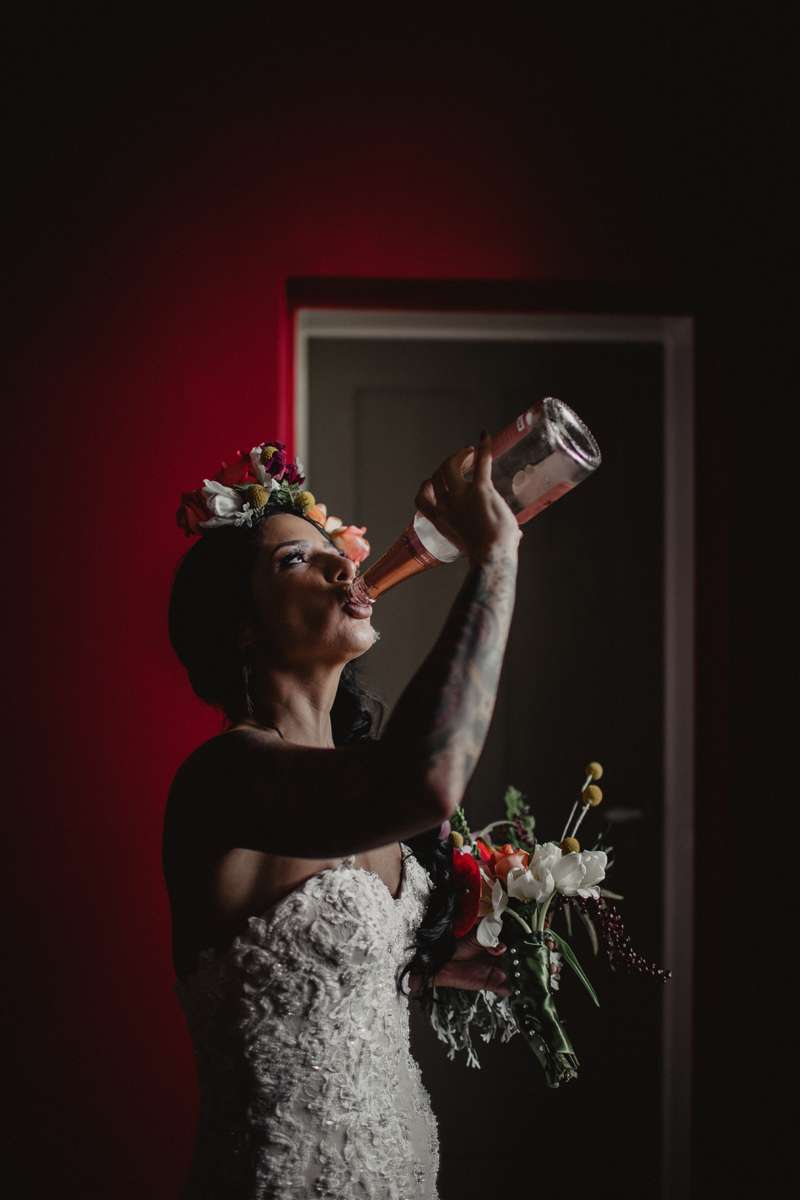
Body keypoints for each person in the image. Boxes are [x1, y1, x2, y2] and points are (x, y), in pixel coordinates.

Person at [163, 430, 522, 1199]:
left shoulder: (354, 782)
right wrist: (495, 558)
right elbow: (427, 781)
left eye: (336, 552)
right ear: (243, 623)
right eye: (295, 559)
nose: (342, 567)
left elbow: (320, 989)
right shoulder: (221, 779)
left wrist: (418, 969)